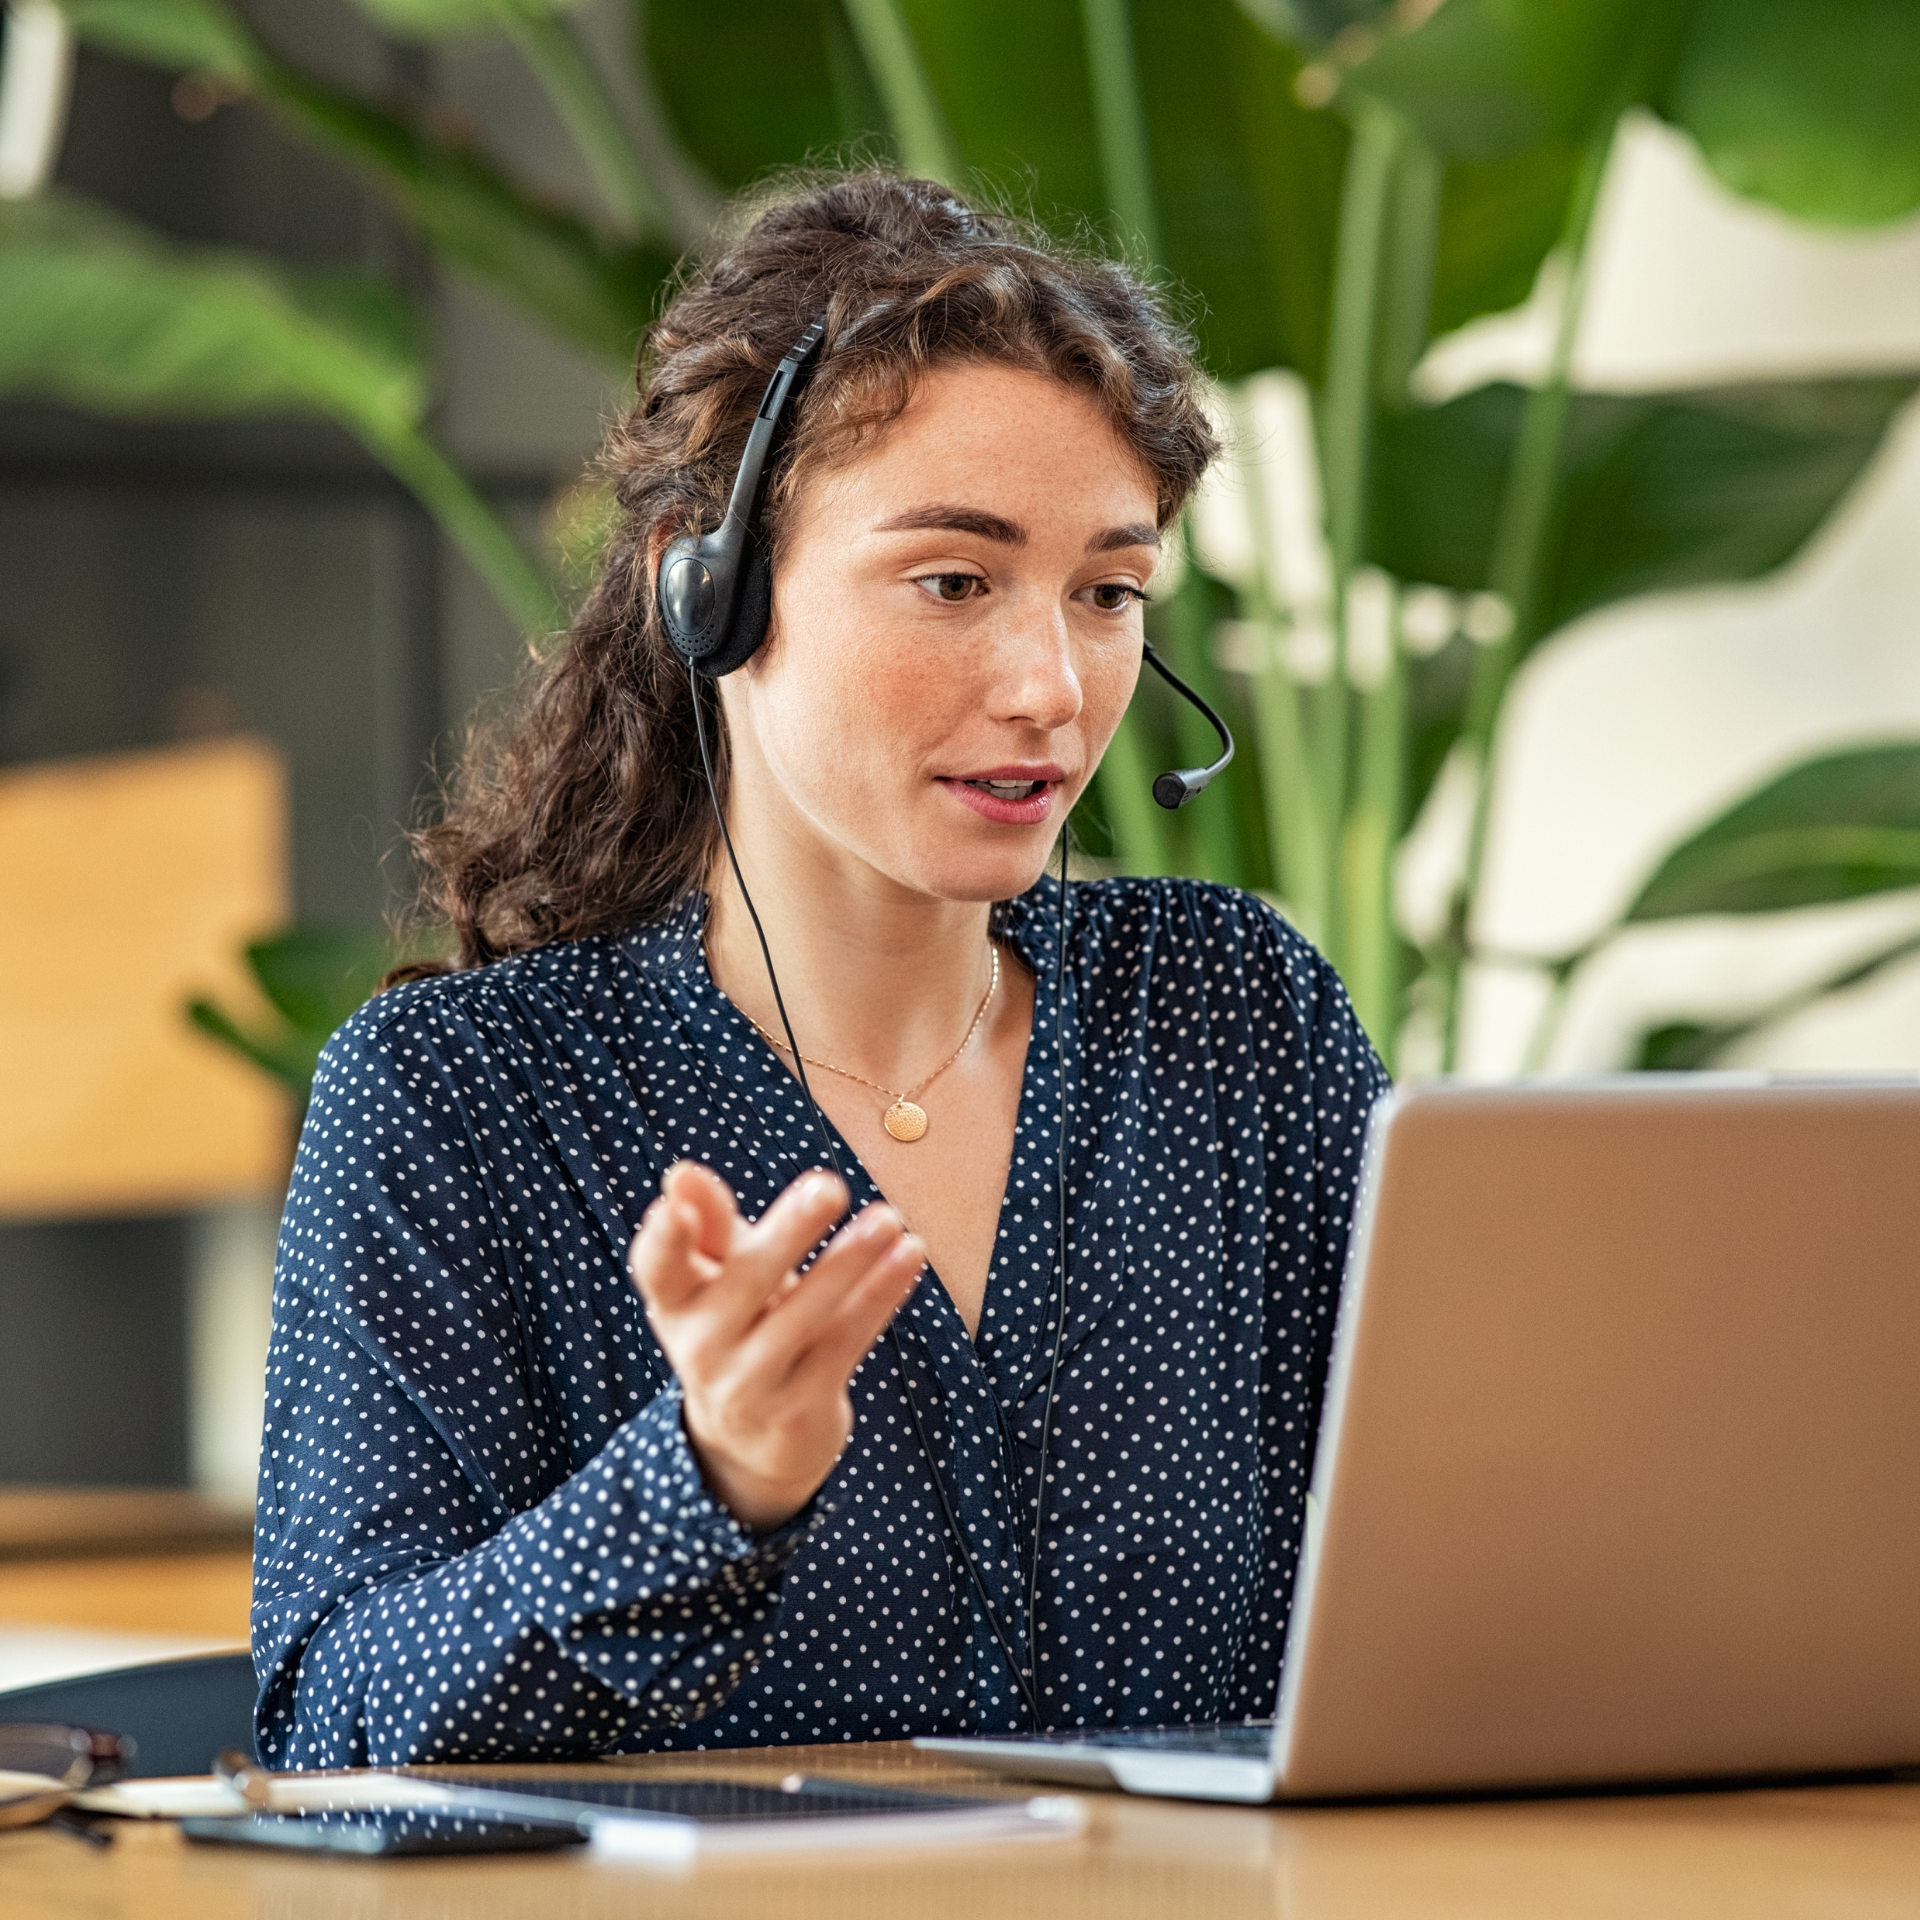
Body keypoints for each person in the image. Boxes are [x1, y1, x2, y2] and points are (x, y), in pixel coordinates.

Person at [252, 171, 1388, 1770]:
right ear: (708, 588)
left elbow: (1459, 1558)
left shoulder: (1236, 1015)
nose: (1053, 687)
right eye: (954, 581)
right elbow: (330, 1725)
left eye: (1108, 593)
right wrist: (705, 1483)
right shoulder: (463, 1099)